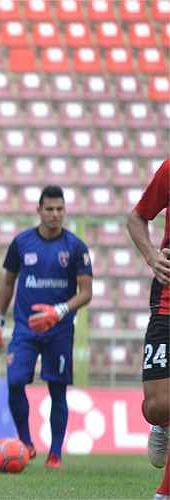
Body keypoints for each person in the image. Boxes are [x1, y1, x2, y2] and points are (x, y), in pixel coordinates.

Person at [0, 185, 92, 469]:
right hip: (25, 328)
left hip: (59, 330)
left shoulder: (75, 247)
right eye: (49, 209)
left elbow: (86, 293)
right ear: (39, 210)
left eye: (60, 209)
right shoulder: (22, 243)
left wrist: (58, 312)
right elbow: (8, 282)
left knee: (57, 390)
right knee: (14, 383)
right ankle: (26, 443)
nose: (55, 214)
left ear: (64, 210)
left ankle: (55, 453)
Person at [126, 158, 170, 500]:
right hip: (167, 298)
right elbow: (137, 217)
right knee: (157, 405)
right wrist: (152, 255)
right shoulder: (169, 170)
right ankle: (161, 423)